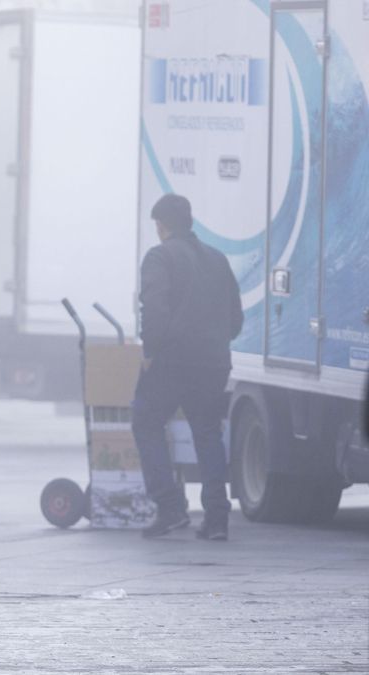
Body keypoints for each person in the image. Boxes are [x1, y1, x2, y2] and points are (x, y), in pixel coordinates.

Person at [133, 193, 243, 541]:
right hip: (213, 363)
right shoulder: (217, 259)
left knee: (146, 421)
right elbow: (236, 320)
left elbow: (154, 308)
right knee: (207, 432)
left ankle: (169, 508)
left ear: (161, 226)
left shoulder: (159, 257)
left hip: (172, 362)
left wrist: (150, 350)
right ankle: (217, 519)